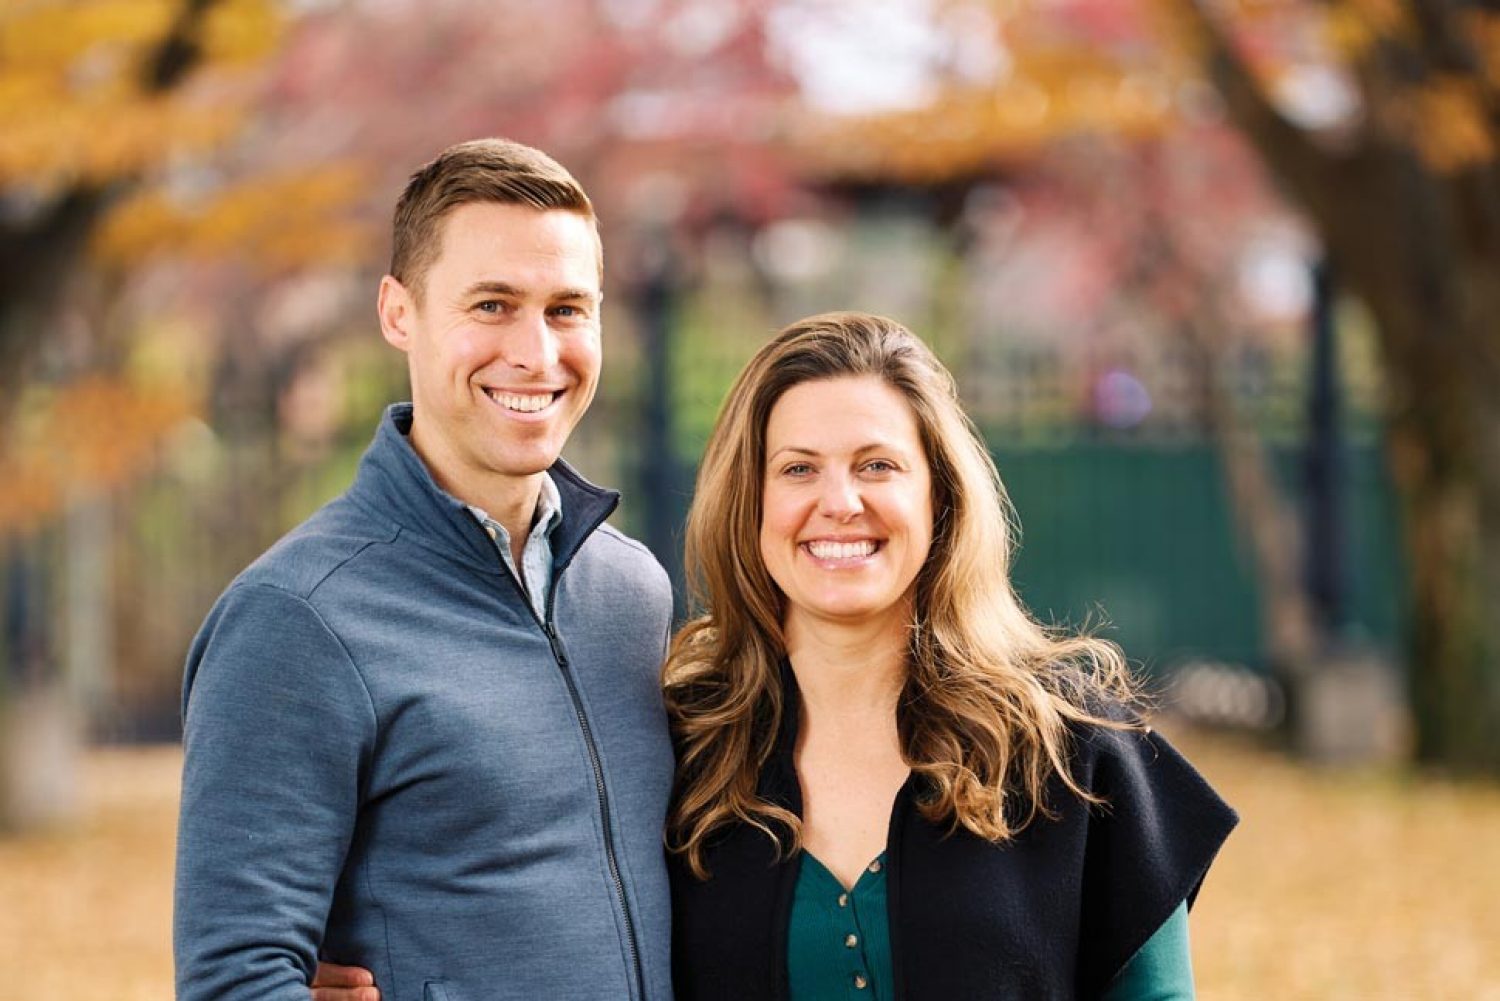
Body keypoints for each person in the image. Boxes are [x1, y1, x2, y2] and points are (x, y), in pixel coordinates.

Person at [174, 138, 677, 1001]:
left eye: (566, 308)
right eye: (491, 304)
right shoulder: (298, 619)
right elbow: (236, 977)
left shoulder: (631, 592)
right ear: (398, 312)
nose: (535, 352)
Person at [662, 312, 1237, 999]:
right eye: (797, 468)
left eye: (877, 465)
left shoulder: (1071, 748)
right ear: (749, 502)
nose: (840, 501)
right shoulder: (680, 751)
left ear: (939, 495)